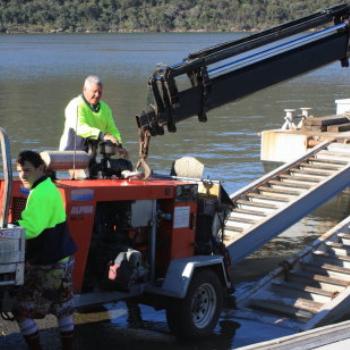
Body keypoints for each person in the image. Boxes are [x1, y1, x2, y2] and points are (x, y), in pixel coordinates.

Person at [13, 150, 77, 350]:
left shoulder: (39, 193)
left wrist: (10, 227)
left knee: (21, 310)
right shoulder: (50, 187)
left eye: (27, 170)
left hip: (48, 263)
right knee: (63, 308)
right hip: (64, 258)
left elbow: (31, 228)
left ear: (41, 168)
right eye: (19, 171)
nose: (22, 175)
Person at [59, 75, 127, 158]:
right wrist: (102, 135)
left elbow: (112, 129)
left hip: (91, 153)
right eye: (94, 91)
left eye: (100, 92)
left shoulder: (105, 108)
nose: (97, 95)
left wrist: (119, 145)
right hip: (70, 153)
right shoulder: (75, 105)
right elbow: (80, 128)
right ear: (85, 90)